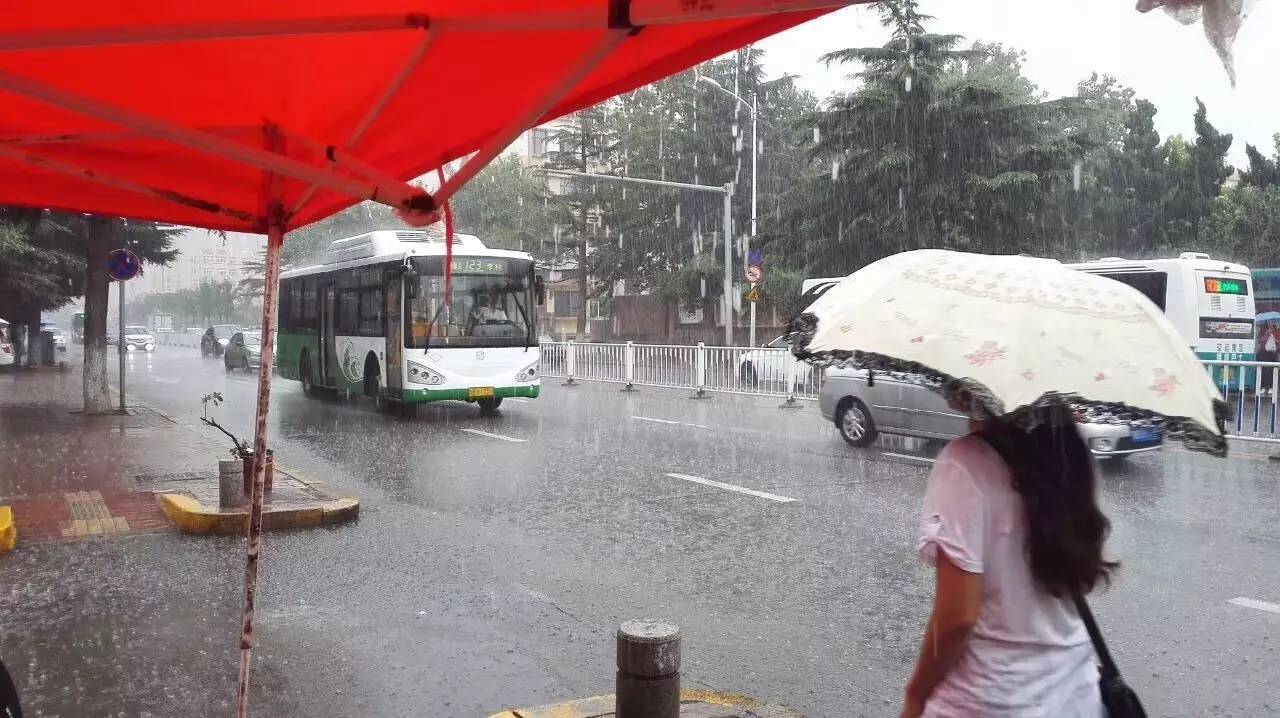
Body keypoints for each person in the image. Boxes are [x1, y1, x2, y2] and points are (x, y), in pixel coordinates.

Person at [901, 397, 1114, 718]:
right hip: (1075, 694)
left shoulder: (965, 462)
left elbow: (957, 617)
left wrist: (916, 694)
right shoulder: (1069, 451)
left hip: (989, 700)